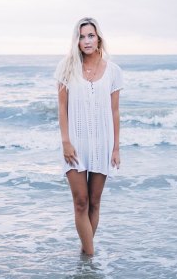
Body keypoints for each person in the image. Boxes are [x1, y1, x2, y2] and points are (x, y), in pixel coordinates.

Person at [54, 17, 123, 256]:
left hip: (102, 143)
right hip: (75, 143)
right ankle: (91, 258)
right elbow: (62, 108)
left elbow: (115, 111)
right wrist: (65, 141)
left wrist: (116, 148)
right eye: (82, 36)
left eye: (90, 35)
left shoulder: (113, 71)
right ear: (77, 41)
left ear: (98, 38)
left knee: (94, 202)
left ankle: (84, 256)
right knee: (80, 202)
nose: (86, 41)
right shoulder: (66, 68)